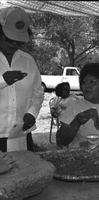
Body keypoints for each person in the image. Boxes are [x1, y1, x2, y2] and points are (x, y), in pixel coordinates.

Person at [0, 6, 44, 152]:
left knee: (25, 173)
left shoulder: (28, 61)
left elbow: (37, 93)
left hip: (21, 135)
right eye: (10, 39)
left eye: (19, 42)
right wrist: (2, 80)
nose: (14, 44)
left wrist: (32, 112)